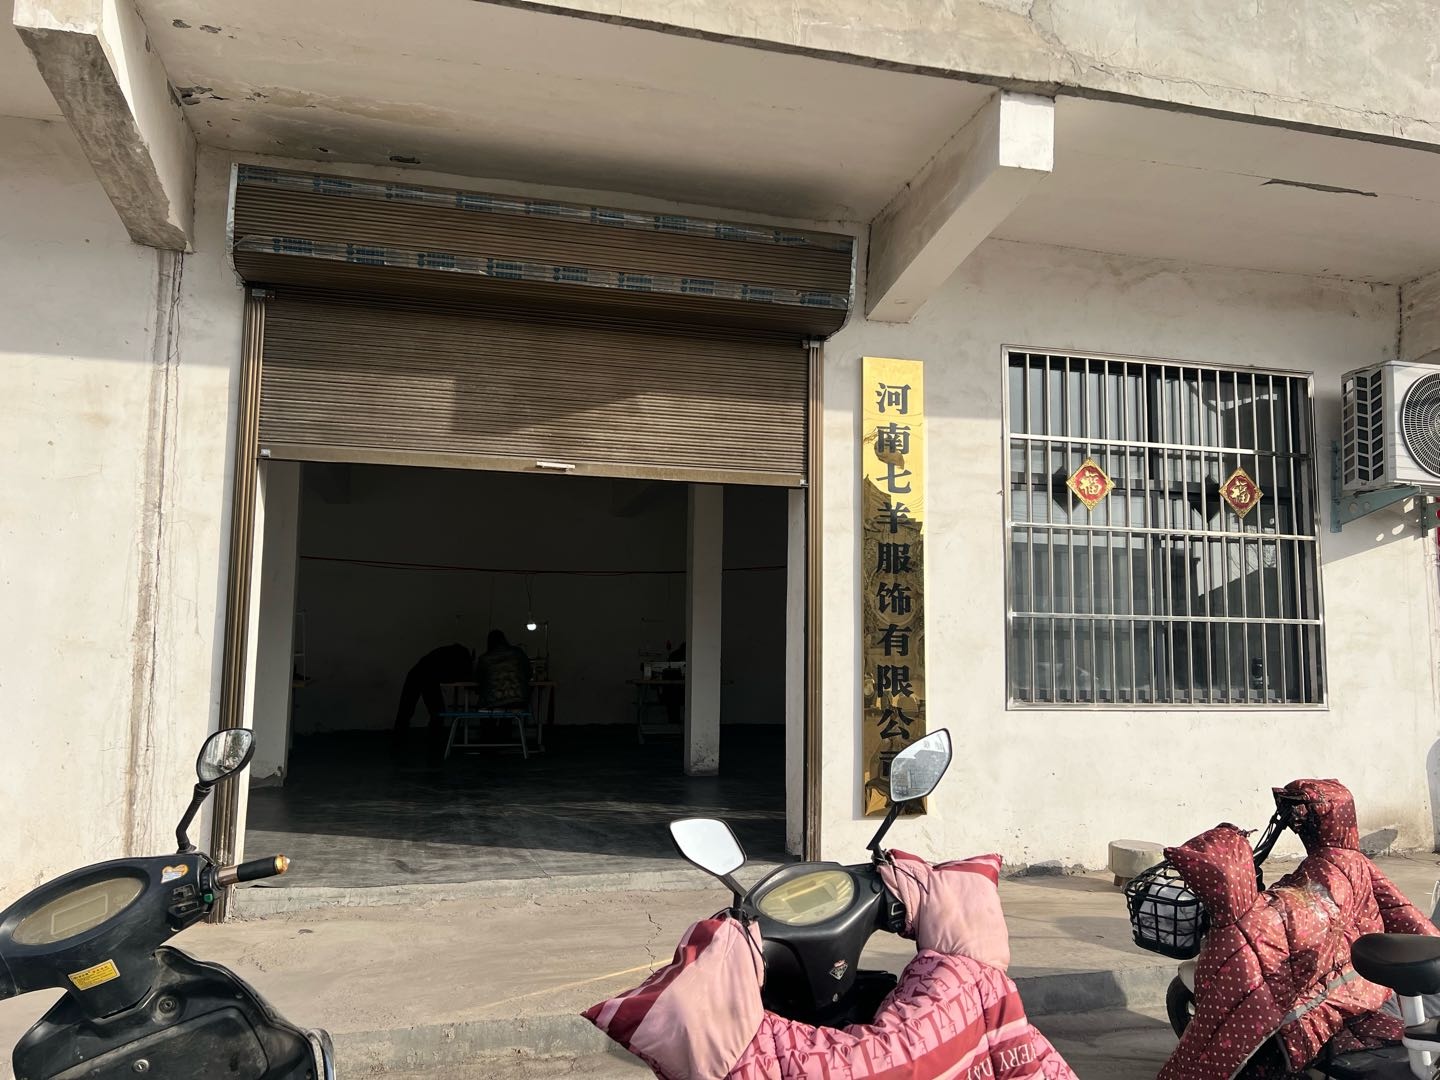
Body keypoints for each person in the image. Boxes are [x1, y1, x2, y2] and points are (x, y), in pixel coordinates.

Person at [392, 642, 474, 759]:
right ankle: (434, 745)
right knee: (436, 712)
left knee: (406, 711)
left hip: (420, 675)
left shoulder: (444, 655)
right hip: (428, 678)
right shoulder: (454, 658)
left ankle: (398, 744)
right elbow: (454, 676)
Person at [475, 629, 532, 709]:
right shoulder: (518, 653)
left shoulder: (484, 659)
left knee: (484, 712)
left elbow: (479, 679)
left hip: (492, 701)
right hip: (519, 700)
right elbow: (529, 673)